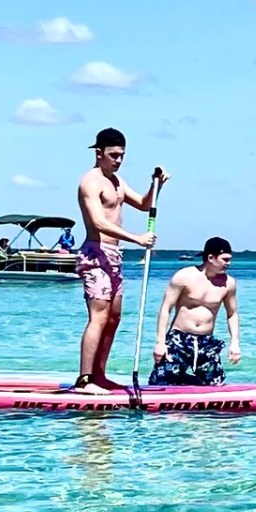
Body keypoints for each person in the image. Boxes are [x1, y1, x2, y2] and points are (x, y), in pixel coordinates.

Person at [73, 127, 165, 392]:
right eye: (113, 155)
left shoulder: (117, 181)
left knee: (114, 318)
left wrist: (156, 184)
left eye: (122, 155)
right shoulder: (90, 182)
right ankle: (85, 380)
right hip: (95, 254)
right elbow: (98, 222)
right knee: (98, 317)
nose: (118, 160)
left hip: (114, 256)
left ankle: (99, 375)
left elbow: (145, 204)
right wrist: (136, 238)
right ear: (99, 153)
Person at [151, 237, 241, 385]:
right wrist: (160, 342)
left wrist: (235, 343)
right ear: (211, 258)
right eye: (225, 259)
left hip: (206, 341)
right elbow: (166, 308)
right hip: (179, 339)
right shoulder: (184, 276)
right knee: (162, 382)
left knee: (215, 385)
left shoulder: (229, 283)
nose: (228, 263)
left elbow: (232, 314)